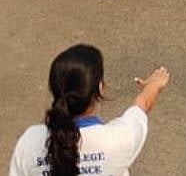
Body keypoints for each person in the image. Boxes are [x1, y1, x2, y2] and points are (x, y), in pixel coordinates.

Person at [7, 45, 170, 176]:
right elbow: (142, 104)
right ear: (100, 87)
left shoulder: (29, 141)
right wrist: (154, 84)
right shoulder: (120, 138)